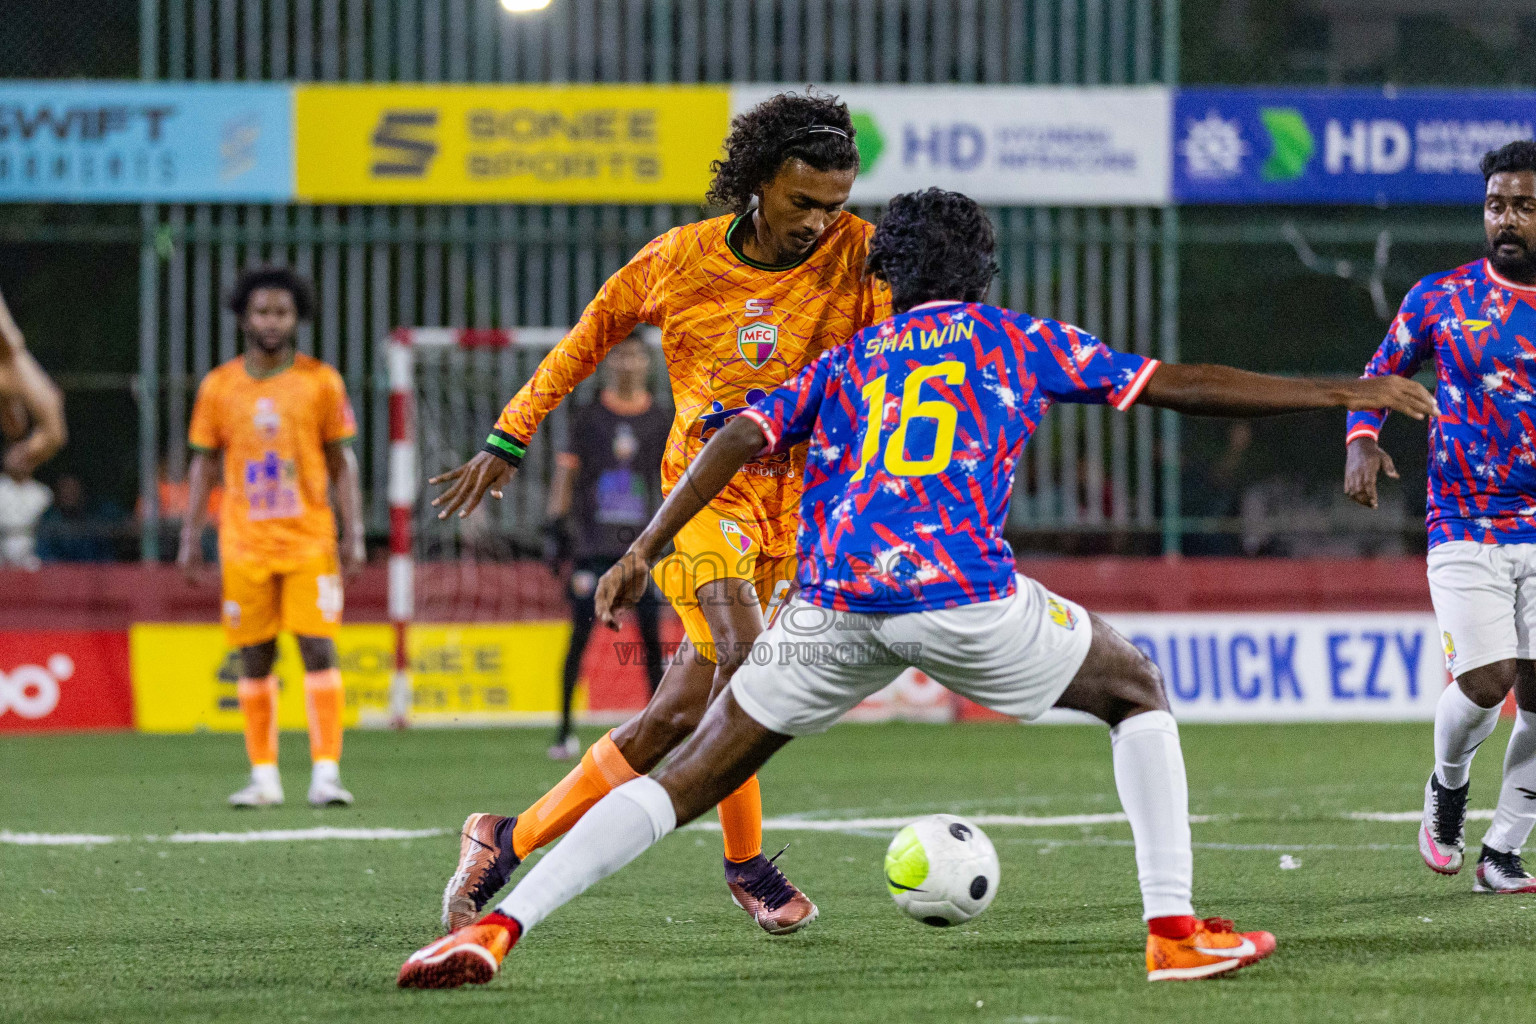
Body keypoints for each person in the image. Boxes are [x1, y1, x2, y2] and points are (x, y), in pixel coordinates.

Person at [397, 188, 1435, 989]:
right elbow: (1180, 386)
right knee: (1133, 687)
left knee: (683, 779)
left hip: (833, 605)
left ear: (885, 272)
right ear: (983, 268)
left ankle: (500, 923)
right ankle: (1173, 931)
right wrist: (1342, 389)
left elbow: (733, 440)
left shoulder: (849, 359)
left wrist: (642, 544)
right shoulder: (1011, 337)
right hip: (965, 597)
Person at [428, 90, 889, 936]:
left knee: (683, 711)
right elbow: (587, 339)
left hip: (802, 508)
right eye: (802, 203)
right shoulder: (680, 260)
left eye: (836, 204)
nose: (820, 222)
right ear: (756, 184)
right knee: (751, 665)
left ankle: (506, 834)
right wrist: (510, 435)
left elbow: (913, 347)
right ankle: (746, 864)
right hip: (702, 502)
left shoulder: (862, 256)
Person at [1345, 140, 1536, 894]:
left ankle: (1504, 852)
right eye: (1497, 205)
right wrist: (1363, 440)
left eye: (1524, 204)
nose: (1508, 219)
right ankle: (1448, 785)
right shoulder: (1441, 296)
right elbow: (1379, 372)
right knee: (1489, 682)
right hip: (1465, 523)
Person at [178, 266, 365, 809]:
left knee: (317, 645)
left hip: (310, 540)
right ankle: (264, 777)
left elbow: (342, 463)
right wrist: (191, 538)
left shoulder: (320, 382)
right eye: (262, 311)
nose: (271, 321)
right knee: (254, 657)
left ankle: (326, 773)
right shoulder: (218, 387)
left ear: (296, 317)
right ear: (242, 317)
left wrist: (354, 533)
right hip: (243, 543)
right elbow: (203, 467)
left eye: (281, 311)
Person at [544, 333, 670, 761]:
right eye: (619, 354)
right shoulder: (588, 418)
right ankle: (563, 731)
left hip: (644, 548)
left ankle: (657, 729)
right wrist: (556, 528)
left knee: (653, 640)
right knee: (579, 636)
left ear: (647, 363)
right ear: (608, 362)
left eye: (635, 354)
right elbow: (566, 475)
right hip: (592, 546)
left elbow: (676, 482)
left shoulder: (662, 419)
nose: (627, 363)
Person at [0, 286, 67, 483]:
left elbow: (54, 435)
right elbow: (54, 434)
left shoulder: (15, 367)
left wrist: (23, 456)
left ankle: (19, 457)